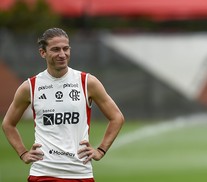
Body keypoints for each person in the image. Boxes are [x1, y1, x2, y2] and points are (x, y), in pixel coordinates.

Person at [2, 27, 125, 181]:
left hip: (80, 172)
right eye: (55, 49)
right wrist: (23, 153)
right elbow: (8, 124)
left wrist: (100, 150)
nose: (62, 54)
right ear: (43, 53)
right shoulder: (30, 87)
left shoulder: (87, 82)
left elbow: (117, 117)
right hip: (43, 172)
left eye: (65, 48)